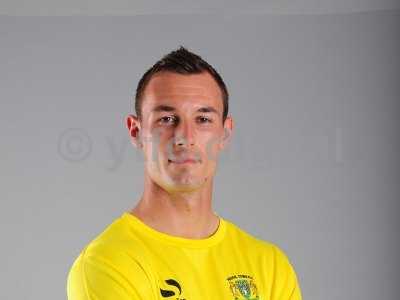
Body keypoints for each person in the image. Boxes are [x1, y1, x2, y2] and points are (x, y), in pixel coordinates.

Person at [66, 46, 303, 300]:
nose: (185, 138)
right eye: (167, 119)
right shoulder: (106, 263)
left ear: (225, 132)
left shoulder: (270, 266)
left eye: (203, 120)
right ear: (136, 132)